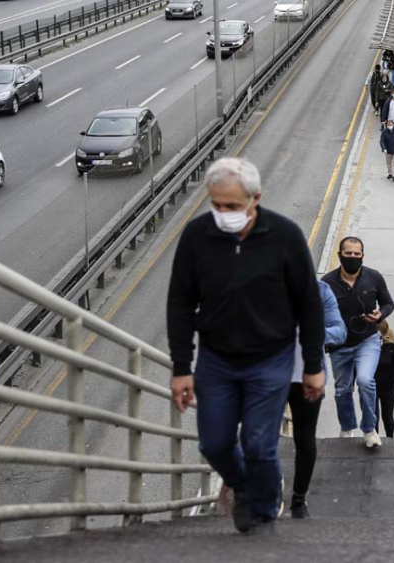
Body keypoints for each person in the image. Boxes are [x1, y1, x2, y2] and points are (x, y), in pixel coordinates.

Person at [167, 158, 325, 534]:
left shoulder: (285, 236)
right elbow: (180, 302)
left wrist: (314, 365)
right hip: (216, 360)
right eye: (216, 205)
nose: (223, 214)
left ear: (255, 199)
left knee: (259, 445)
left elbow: (308, 303)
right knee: (215, 443)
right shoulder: (196, 237)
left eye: (232, 207)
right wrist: (180, 367)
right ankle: (242, 487)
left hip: (270, 360)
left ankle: (266, 509)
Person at [322, 237, 394, 449]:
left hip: (367, 340)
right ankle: (347, 427)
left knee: (365, 380)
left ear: (362, 255)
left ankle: (369, 429)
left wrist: (380, 314)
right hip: (339, 345)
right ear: (339, 256)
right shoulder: (327, 282)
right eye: (348, 253)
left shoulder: (373, 278)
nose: (353, 257)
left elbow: (388, 303)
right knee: (342, 388)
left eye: (356, 254)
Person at [288, 280, 346, 519]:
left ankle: (298, 500)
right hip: (269, 374)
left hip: (308, 375)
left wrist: (313, 332)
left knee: (304, 438)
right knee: (261, 435)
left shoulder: (320, 290)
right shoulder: (262, 283)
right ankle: (262, 493)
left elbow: (340, 331)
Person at [374, 320, 394, 438]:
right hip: (371, 386)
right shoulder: (367, 346)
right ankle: (374, 439)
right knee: (373, 417)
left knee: (387, 417)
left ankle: (390, 439)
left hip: (389, 387)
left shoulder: (393, 346)